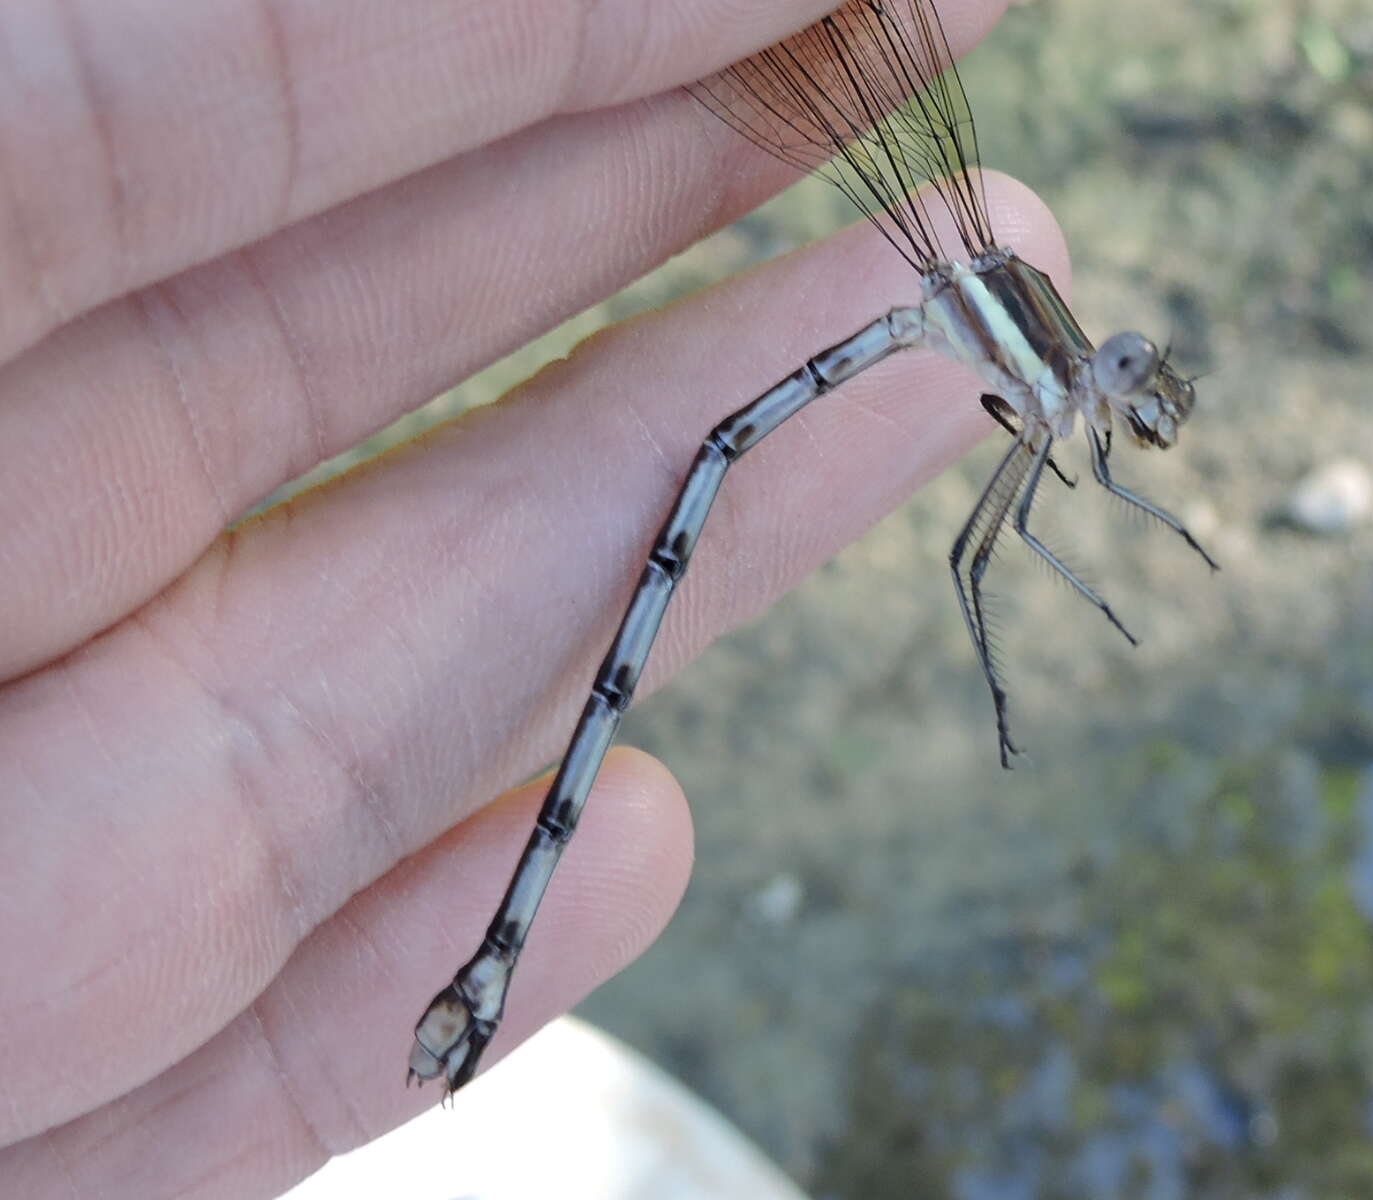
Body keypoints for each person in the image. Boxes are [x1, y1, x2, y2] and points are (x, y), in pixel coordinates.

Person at [0, 1, 1064, 1194]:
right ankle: (491, 964)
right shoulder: (1013, 345)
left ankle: (487, 969)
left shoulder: (1038, 379)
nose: (1125, 389)